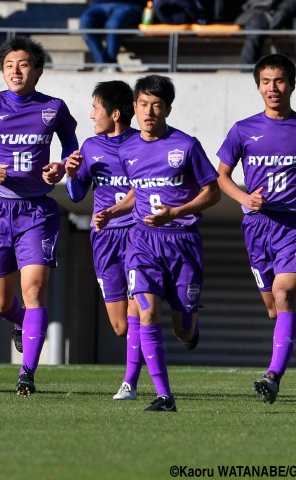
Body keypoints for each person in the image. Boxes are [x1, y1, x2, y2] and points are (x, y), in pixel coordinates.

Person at [216, 53, 296, 404]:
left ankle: (273, 376)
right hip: (257, 226)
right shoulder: (243, 130)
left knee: (285, 293)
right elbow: (222, 176)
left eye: (280, 80)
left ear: (292, 83)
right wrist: (244, 197)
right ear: (258, 86)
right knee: (275, 309)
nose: (273, 88)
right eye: (266, 82)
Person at [0, 36, 78, 396]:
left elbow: (71, 145)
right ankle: (22, 324)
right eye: (10, 64)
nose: (16, 70)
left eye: (24, 64)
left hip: (37, 211)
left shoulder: (53, 107)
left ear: (37, 70)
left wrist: (60, 167)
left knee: (35, 290)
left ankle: (27, 374)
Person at [93, 74, 220, 412]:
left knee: (180, 329)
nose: (149, 111)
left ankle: (191, 328)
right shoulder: (128, 148)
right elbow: (137, 191)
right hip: (143, 242)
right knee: (146, 314)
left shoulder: (187, 146)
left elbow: (212, 192)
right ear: (134, 107)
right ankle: (165, 395)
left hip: (183, 243)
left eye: (157, 105)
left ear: (167, 109)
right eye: (144, 104)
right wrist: (112, 211)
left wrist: (177, 211)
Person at [64, 80, 143, 401]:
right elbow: (77, 194)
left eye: (96, 108)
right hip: (104, 240)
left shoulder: (143, 144)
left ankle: (130, 382)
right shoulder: (91, 147)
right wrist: (71, 173)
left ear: (116, 113)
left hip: (139, 236)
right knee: (120, 326)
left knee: (139, 309)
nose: (91, 115)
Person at [235, 0, 296, 67]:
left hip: (292, 9)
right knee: (254, 27)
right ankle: (247, 71)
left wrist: (285, 9)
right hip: (259, 10)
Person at [80, 0, 144, 69]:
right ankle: (103, 62)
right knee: (86, 22)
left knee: (113, 25)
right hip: (98, 5)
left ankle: (110, 63)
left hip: (128, 4)